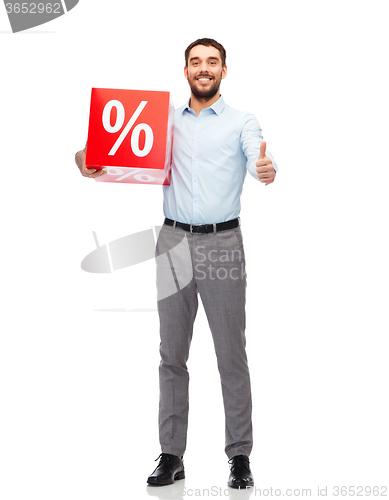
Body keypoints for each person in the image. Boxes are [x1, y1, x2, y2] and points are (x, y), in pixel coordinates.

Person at [75, 38, 278, 489]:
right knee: (172, 354)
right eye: (195, 61)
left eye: (212, 62)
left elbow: (258, 157)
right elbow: (98, 152)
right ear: (185, 69)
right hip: (172, 242)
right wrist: (86, 160)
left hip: (223, 242)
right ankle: (171, 454)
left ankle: (239, 456)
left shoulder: (243, 121)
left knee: (231, 353)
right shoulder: (160, 119)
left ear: (224, 70)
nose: (203, 68)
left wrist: (266, 168)